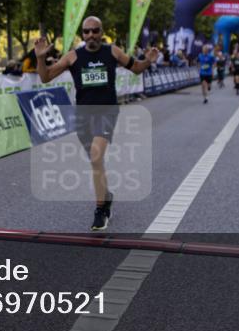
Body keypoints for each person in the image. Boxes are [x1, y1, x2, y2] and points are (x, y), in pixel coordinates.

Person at [34, 16, 159, 232]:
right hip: (83, 115)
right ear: (82, 34)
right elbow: (46, 78)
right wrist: (40, 58)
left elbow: (136, 68)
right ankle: (107, 196)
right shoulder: (73, 56)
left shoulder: (113, 52)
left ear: (102, 32)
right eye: (87, 31)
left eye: (95, 31)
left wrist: (147, 60)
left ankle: (100, 210)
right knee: (95, 162)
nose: (91, 35)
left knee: (96, 155)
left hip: (107, 111)